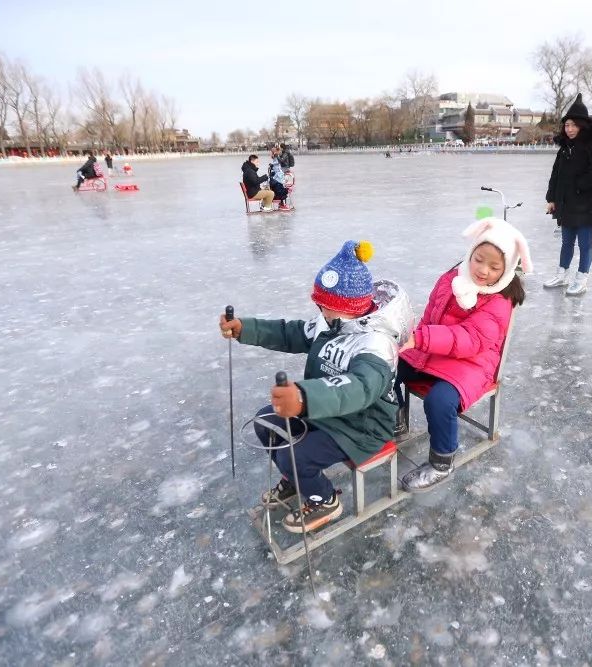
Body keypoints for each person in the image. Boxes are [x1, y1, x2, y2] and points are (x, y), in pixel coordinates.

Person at [219, 241, 413, 533]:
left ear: (345, 306)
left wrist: (305, 397)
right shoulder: (331, 321)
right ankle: (297, 479)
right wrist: (246, 328)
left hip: (361, 426)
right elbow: (293, 333)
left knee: (294, 456)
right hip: (326, 411)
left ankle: (324, 499)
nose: (319, 309)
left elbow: (360, 388)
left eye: (324, 305)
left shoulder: (375, 344)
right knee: (267, 423)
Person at [395, 216, 531, 492]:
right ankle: (393, 417)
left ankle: (441, 463)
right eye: (479, 259)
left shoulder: (499, 301)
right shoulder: (452, 278)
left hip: (472, 363)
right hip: (432, 349)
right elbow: (431, 314)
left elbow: (470, 339)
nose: (483, 270)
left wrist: (421, 339)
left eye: (494, 267)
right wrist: (409, 340)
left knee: (439, 401)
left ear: (506, 270)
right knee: (384, 366)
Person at [543, 93, 592, 296]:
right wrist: (551, 198)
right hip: (567, 204)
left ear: (583, 125)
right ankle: (562, 274)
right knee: (566, 242)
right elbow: (555, 175)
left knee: (584, 243)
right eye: (567, 125)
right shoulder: (565, 148)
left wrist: (577, 185)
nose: (570, 129)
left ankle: (582, 278)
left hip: (587, 205)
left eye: (574, 125)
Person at [268, 147, 292, 211]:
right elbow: (277, 163)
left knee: (280, 188)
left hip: (278, 174)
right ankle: (281, 203)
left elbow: (279, 163)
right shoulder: (275, 156)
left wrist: (272, 165)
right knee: (279, 188)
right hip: (277, 174)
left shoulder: (276, 156)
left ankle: (282, 203)